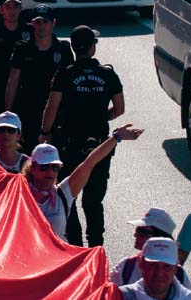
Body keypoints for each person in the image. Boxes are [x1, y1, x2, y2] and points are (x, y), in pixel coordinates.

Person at [41, 25, 125, 248]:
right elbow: (119, 109)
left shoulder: (66, 73)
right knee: (94, 199)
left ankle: (75, 245)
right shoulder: (107, 74)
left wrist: (45, 132)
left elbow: (52, 106)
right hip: (98, 146)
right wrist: (99, 117)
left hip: (69, 143)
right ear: (91, 47)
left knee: (68, 194)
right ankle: (96, 246)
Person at [23, 125, 142, 241]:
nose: (50, 171)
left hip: (56, 259)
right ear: (32, 168)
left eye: (55, 167)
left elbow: (89, 163)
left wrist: (116, 138)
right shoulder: (19, 194)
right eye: (44, 167)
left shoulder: (63, 193)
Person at [6, 5, 74, 152]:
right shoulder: (22, 48)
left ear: (53, 23)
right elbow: (13, 82)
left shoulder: (62, 49)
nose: (41, 26)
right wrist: (9, 113)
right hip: (27, 110)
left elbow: (70, 85)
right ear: (32, 23)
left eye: (45, 21)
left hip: (55, 113)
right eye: (38, 22)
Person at [112, 209, 191, 290]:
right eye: (137, 230)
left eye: (142, 231)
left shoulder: (179, 274)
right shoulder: (126, 266)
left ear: (160, 237)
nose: (135, 234)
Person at [117, 238, 191, 300]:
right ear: (141, 265)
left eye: (166, 266)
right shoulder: (120, 296)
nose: (159, 273)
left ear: (175, 268)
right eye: (153, 265)